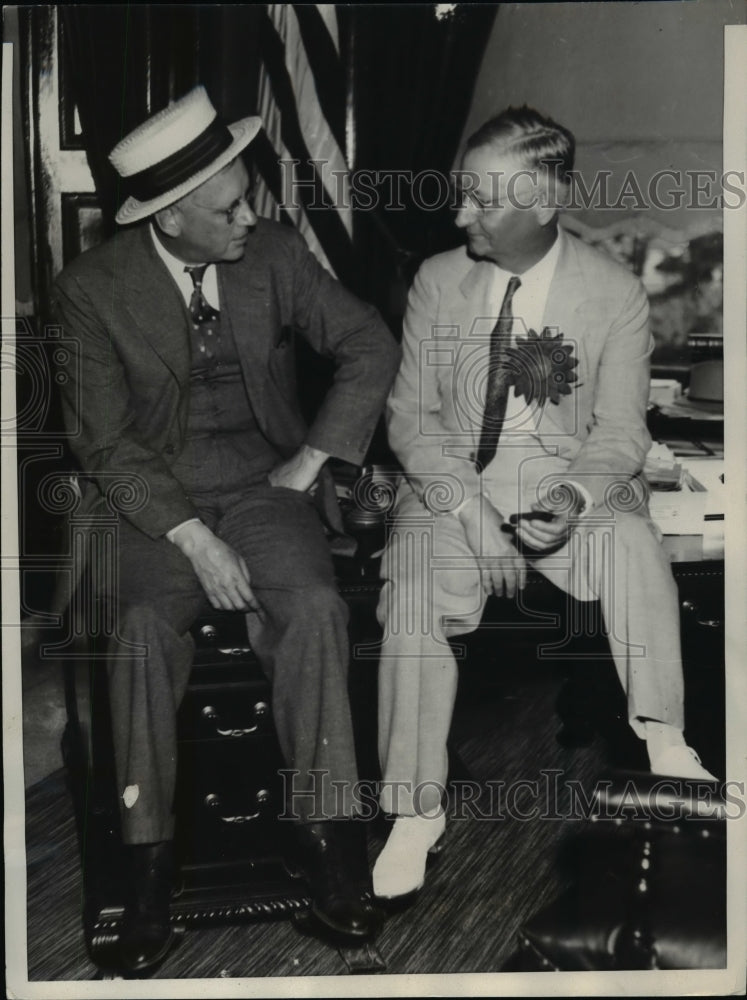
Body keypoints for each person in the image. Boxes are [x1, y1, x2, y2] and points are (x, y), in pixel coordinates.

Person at [53, 86, 400, 970]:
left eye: (247, 194)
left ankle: (327, 844)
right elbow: (105, 441)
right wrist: (191, 537)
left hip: (262, 487)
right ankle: (145, 872)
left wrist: (316, 456)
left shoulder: (275, 257)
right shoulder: (90, 292)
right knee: (137, 633)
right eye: (228, 206)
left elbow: (369, 343)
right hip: (149, 505)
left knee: (318, 608)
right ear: (169, 220)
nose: (251, 214)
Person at [371, 106, 716, 902]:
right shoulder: (435, 281)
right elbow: (410, 424)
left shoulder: (613, 291)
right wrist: (471, 518)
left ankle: (665, 740)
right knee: (414, 588)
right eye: (462, 195)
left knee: (631, 543)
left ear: (540, 198)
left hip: (563, 476)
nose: (462, 215)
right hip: (453, 481)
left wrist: (567, 499)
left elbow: (620, 431)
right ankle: (414, 810)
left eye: (481, 200)